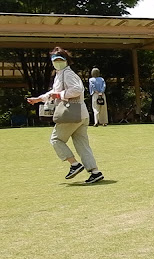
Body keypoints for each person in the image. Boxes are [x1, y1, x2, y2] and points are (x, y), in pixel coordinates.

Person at [26, 47, 104, 184]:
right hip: (81, 113)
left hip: (71, 113)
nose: (57, 62)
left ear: (66, 60)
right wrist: (39, 99)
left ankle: (74, 164)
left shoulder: (67, 74)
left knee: (56, 139)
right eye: (54, 60)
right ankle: (95, 172)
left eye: (60, 59)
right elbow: (53, 93)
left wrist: (59, 95)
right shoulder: (61, 74)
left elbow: (76, 90)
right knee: (82, 144)